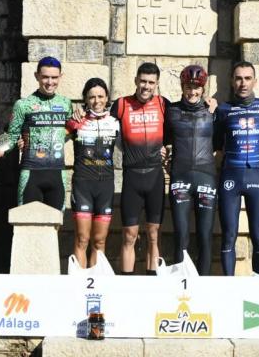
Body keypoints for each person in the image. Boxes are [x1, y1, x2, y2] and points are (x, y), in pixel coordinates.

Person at [213, 61, 259, 276]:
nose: (243, 83)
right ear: (232, 81)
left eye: (247, 78)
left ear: (255, 81)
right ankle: (229, 285)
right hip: (230, 178)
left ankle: (258, 284)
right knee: (229, 234)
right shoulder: (223, 110)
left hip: (257, 176)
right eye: (239, 78)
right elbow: (214, 144)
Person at [110, 62, 169, 275]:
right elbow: (98, 120)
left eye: (151, 82)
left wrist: (210, 106)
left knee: (154, 234)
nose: (146, 86)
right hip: (132, 177)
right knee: (129, 235)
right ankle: (127, 282)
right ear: (135, 80)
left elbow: (181, 129)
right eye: (142, 81)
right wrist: (79, 113)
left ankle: (152, 281)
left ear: (157, 84)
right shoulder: (121, 104)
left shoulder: (164, 104)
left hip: (154, 176)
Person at [0, 56, 71, 210]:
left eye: (54, 77)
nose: (49, 82)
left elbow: (70, 130)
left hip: (57, 174)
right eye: (45, 77)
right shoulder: (23, 105)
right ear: (36, 76)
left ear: (61, 77)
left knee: (54, 227)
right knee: (26, 226)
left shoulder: (66, 103)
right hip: (31, 173)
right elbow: (13, 135)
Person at [164, 65, 217, 276]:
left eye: (196, 87)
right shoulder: (172, 111)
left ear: (203, 89)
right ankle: (180, 286)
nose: (192, 92)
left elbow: (222, 142)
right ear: (182, 86)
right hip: (180, 177)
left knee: (205, 236)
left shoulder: (213, 111)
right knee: (181, 236)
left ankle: (202, 285)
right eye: (188, 86)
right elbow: (163, 139)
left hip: (206, 177)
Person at [65, 78, 120, 268]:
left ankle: (95, 288)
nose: (97, 101)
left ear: (107, 98)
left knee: (100, 242)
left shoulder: (115, 122)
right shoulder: (76, 121)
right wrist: (24, 141)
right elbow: (51, 138)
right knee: (81, 239)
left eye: (101, 96)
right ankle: (79, 286)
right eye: (92, 97)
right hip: (83, 185)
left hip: (105, 185)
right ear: (85, 100)